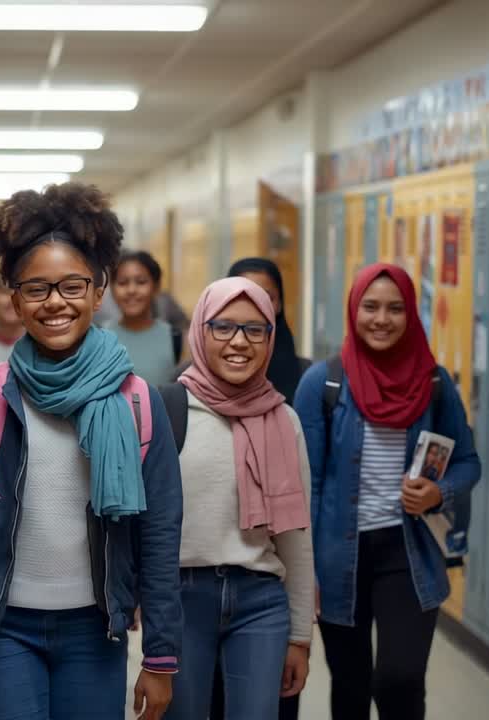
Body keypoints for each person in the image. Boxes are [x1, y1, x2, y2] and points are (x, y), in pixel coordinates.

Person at [0, 182, 184, 720]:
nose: (55, 302)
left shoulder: (137, 402)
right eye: (37, 288)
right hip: (4, 631)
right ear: (15, 298)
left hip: (97, 629)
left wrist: (160, 654)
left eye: (72, 285)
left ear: (98, 290)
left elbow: (160, 535)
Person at [295, 263, 481, 720]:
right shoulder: (323, 383)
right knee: (351, 686)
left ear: (411, 314)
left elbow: (468, 462)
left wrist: (438, 493)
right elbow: (304, 486)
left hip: (408, 551)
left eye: (395, 308)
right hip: (339, 556)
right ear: (353, 310)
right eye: (370, 307)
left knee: (399, 679)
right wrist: (304, 569)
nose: (382, 319)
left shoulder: (434, 383)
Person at [164, 278, 315, 720]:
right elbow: (143, 522)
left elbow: (296, 537)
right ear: (200, 330)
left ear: (270, 337)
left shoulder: (284, 419)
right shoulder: (167, 408)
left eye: (255, 330)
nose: (239, 342)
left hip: (260, 599)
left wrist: (300, 636)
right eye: (223, 327)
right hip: (181, 599)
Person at [229, 258, 309, 405]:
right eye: (243, 296)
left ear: (279, 304)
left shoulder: (307, 376)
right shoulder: (190, 379)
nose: (256, 306)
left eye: (265, 297)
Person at [107, 250, 181, 384]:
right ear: (112, 288)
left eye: (141, 282)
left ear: (156, 287)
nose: (131, 290)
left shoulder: (175, 337)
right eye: (123, 283)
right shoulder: (100, 338)